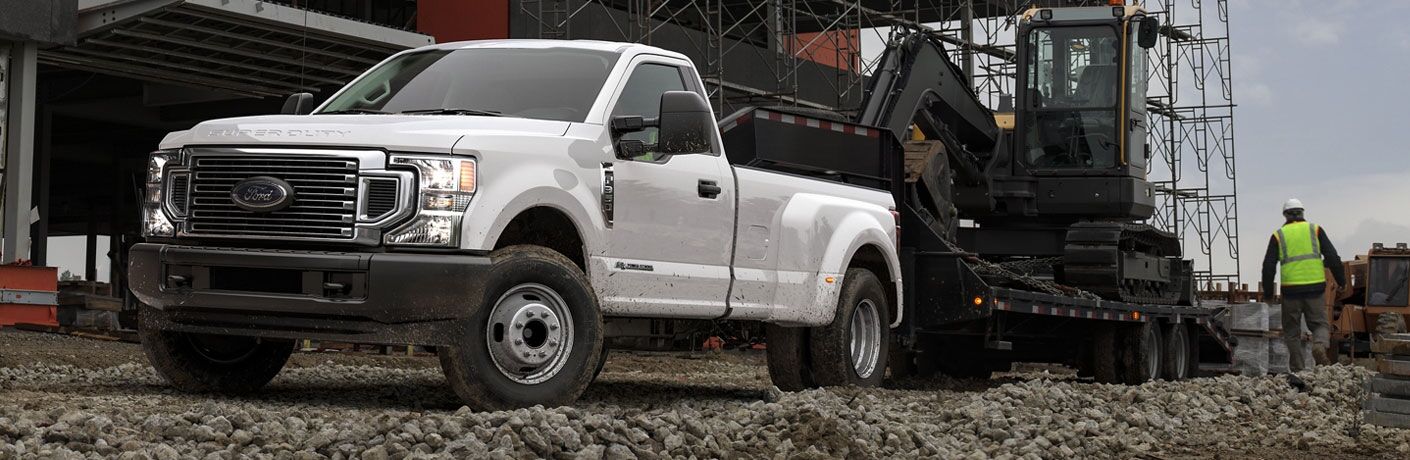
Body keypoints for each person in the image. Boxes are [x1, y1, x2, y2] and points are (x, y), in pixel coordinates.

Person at [1261, 198, 1344, 371]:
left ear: (1285, 215)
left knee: (1291, 331)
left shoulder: (1279, 235)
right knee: (1319, 324)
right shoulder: (1315, 230)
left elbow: (1268, 266)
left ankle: (1298, 369)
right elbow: (1332, 257)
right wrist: (1341, 281)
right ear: (1302, 212)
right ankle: (1319, 345)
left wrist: (1268, 294)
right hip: (1316, 287)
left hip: (1290, 290)